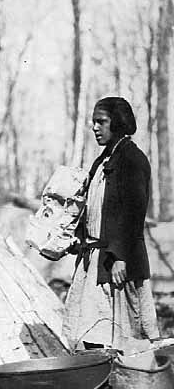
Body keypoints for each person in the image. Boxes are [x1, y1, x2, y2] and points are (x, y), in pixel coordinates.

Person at [63, 96, 160, 351]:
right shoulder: (104, 161)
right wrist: (79, 238)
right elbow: (95, 207)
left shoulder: (132, 159)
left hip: (117, 262)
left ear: (118, 122)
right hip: (95, 260)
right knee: (94, 332)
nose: (95, 127)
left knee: (125, 337)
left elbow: (133, 214)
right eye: (93, 122)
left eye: (101, 122)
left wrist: (121, 257)